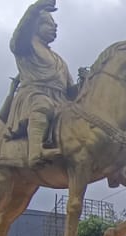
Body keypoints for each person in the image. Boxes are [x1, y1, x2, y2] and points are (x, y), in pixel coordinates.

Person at [7, 0, 75, 168]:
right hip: (33, 96)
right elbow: (20, 34)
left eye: (55, 25)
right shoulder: (25, 48)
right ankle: (35, 152)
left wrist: (89, 81)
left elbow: (71, 91)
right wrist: (35, 9)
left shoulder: (60, 60)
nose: (55, 27)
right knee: (42, 105)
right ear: (35, 26)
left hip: (60, 101)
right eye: (49, 24)